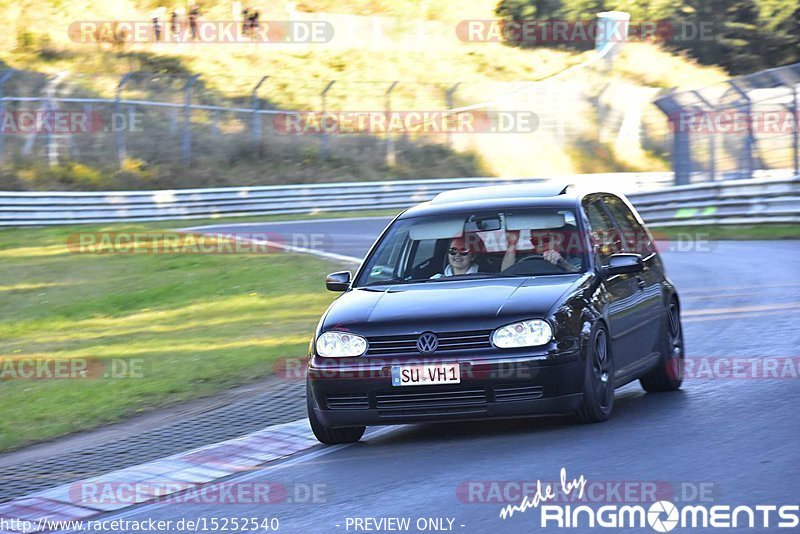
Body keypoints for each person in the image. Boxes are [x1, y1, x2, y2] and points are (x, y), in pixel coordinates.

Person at [501, 230, 581, 273]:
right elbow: (504, 275)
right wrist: (511, 245)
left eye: (545, 239)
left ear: (558, 239)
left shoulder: (575, 258)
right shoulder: (526, 261)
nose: (540, 245)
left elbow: (581, 276)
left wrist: (563, 263)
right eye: (535, 241)